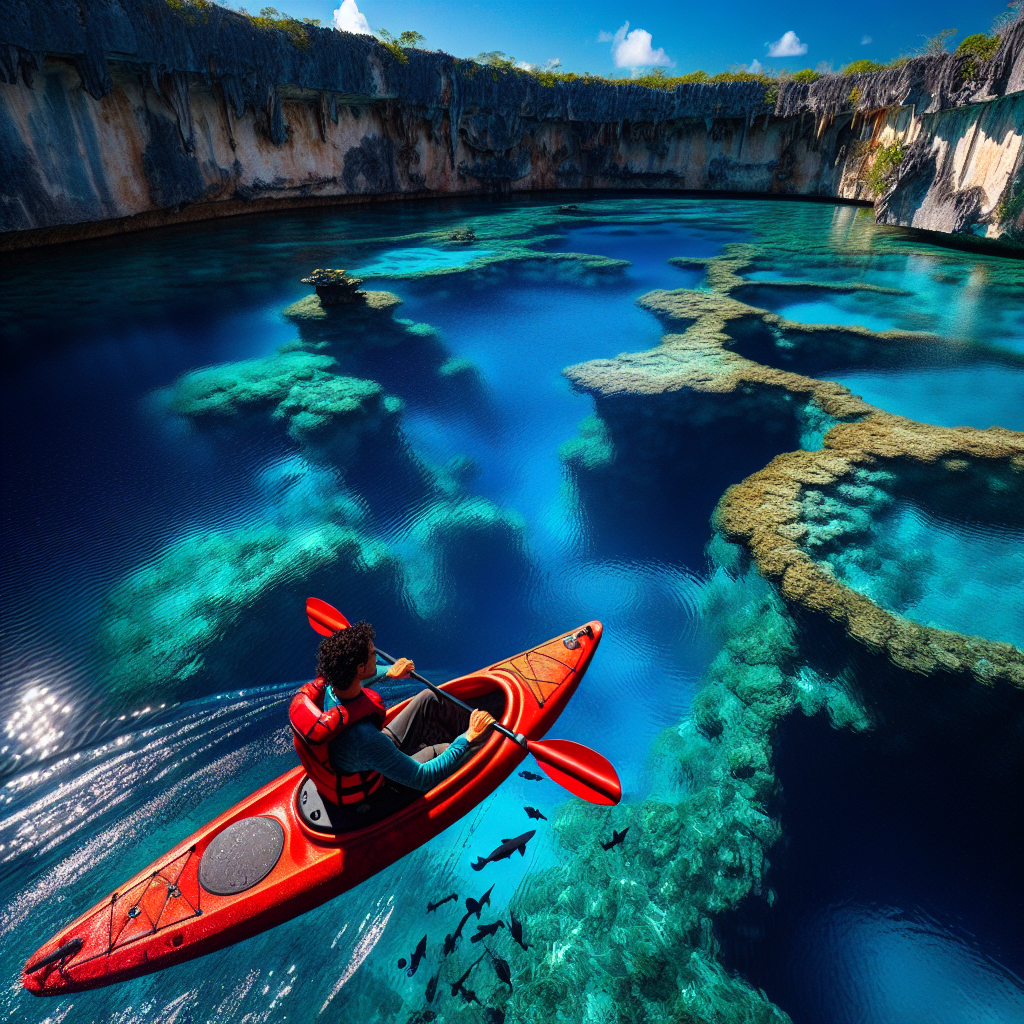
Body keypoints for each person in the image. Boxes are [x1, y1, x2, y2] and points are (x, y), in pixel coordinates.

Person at [289, 621, 499, 822]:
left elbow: (359, 679)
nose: (377, 657)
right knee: (450, 749)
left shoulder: (330, 690)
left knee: (428, 697)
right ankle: (490, 739)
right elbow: (423, 777)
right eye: (374, 655)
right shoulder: (365, 740)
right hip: (381, 783)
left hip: (368, 756)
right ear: (360, 668)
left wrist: (389, 672)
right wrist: (467, 737)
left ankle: (478, 724)